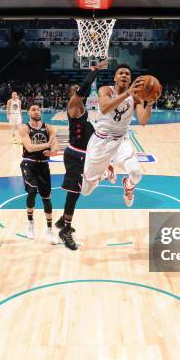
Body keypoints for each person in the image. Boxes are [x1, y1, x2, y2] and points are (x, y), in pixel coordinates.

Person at [81, 64, 150, 207]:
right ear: (115, 78)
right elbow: (105, 108)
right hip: (101, 141)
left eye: (127, 74)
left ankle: (128, 187)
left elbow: (143, 121)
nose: (124, 75)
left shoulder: (136, 97)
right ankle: (105, 172)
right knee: (85, 191)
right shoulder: (105, 90)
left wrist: (150, 104)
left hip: (121, 141)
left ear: (130, 79)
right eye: (121, 73)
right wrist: (127, 93)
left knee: (136, 174)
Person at [55, 60, 106, 250]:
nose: (79, 91)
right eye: (75, 89)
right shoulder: (73, 104)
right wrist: (94, 71)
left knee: (81, 190)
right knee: (74, 191)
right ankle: (65, 230)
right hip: (75, 155)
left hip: (84, 155)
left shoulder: (82, 109)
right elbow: (83, 89)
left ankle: (63, 220)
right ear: (72, 94)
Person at [19, 103, 59, 244]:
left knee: (46, 198)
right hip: (29, 163)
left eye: (38, 109)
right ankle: (30, 224)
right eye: (33, 109)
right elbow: (29, 147)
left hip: (43, 165)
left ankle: (49, 230)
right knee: (32, 191)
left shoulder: (48, 128)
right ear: (28, 112)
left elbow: (56, 144)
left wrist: (52, 149)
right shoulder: (24, 128)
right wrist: (48, 145)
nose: (37, 111)